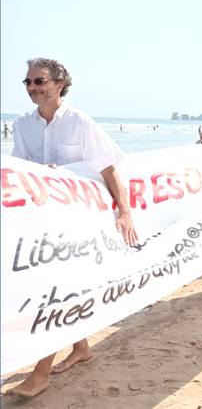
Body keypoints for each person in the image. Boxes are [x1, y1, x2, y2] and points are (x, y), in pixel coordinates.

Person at [8, 58, 138, 398]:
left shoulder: (80, 122)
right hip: (42, 220)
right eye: (27, 82)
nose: (32, 88)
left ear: (60, 83)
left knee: (57, 289)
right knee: (52, 287)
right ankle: (80, 347)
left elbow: (109, 170)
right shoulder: (22, 125)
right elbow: (20, 169)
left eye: (39, 81)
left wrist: (124, 211)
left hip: (79, 221)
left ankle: (40, 372)